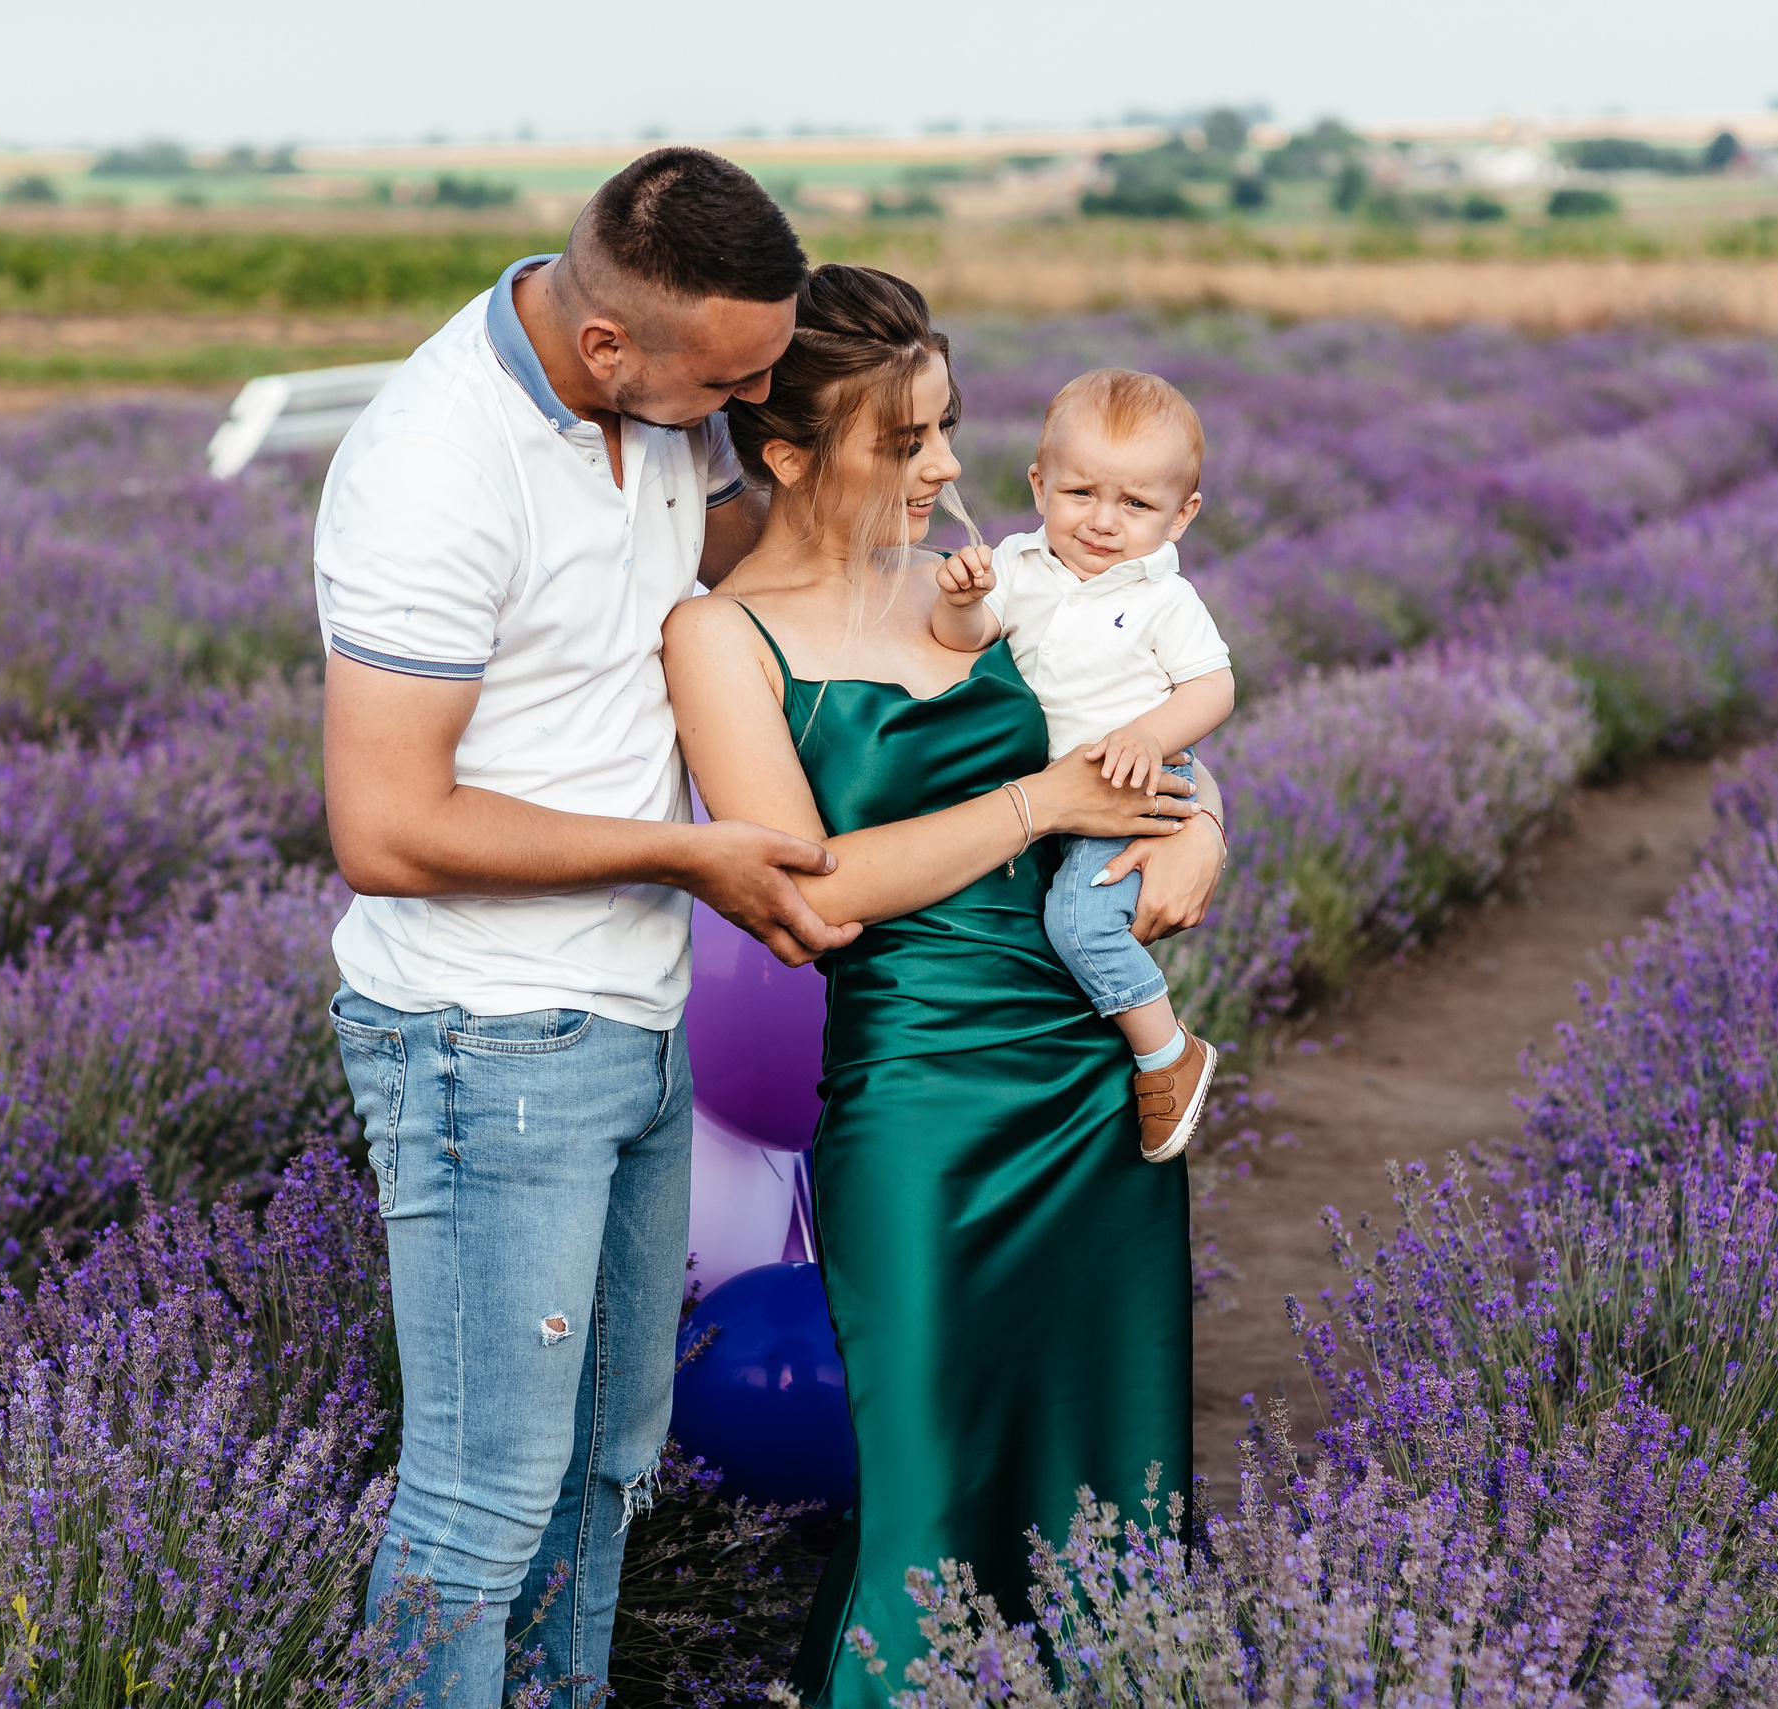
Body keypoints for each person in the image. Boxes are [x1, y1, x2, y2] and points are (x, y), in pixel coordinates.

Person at [314, 148, 860, 1709]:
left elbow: (682, 579)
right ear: (612, 344)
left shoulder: (646, 412)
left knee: (609, 1466)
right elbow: (390, 828)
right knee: (483, 1499)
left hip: (629, 1019)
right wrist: (688, 853)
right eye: (737, 381)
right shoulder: (438, 463)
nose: (754, 411)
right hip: (487, 1041)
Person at [661, 265, 1226, 1708]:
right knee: (932, 1471)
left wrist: (1203, 816)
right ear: (788, 452)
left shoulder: (993, 588)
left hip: (1092, 1088)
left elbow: (1135, 731)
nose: (949, 468)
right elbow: (813, 893)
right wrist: (1040, 805)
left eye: (948, 426)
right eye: (905, 439)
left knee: (1109, 1459)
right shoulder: (722, 635)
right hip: (915, 1096)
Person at [928, 368, 1236, 1163]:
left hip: (1133, 782)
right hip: (1060, 792)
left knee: (1078, 919)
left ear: (1182, 516)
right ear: (1038, 485)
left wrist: (1148, 733)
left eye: (1136, 505)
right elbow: (967, 637)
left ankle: (1167, 1054)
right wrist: (963, 601)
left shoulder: (1167, 598)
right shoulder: (1022, 566)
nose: (1103, 522)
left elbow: (1213, 686)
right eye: (1081, 494)